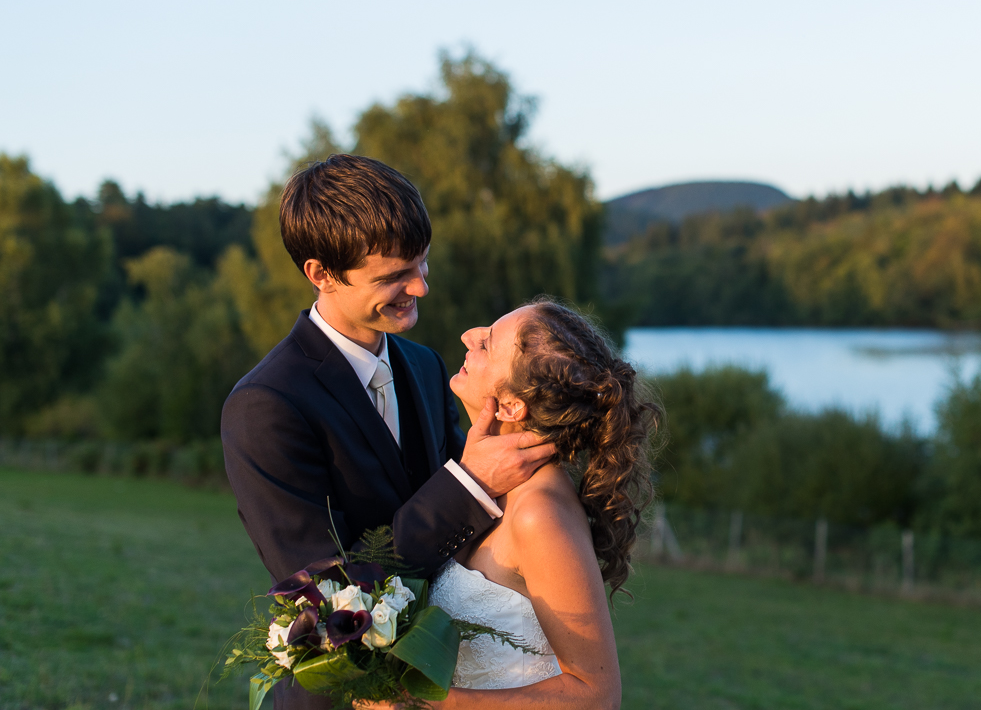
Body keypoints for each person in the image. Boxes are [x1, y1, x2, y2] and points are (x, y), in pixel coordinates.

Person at [221, 154, 555, 710]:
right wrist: (469, 482)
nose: (419, 288)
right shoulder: (265, 406)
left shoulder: (424, 366)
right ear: (321, 274)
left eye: (422, 264)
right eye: (393, 277)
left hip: (447, 682)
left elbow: (467, 542)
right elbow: (333, 590)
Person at [363, 298, 659, 709]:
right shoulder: (488, 487)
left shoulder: (540, 512)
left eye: (486, 344)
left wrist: (426, 704)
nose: (469, 336)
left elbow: (597, 695)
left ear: (511, 406)